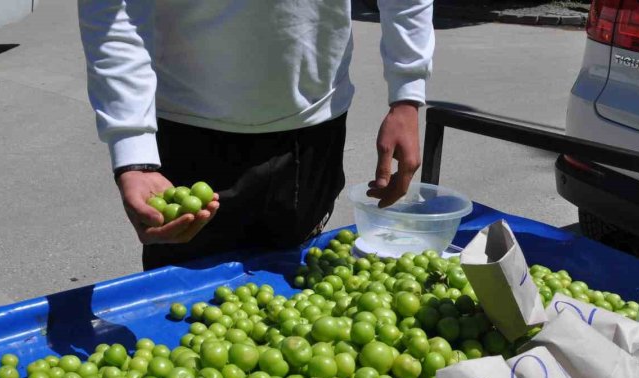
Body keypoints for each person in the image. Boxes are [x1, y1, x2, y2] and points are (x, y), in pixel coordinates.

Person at [78, 1, 435, 270]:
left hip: (314, 129)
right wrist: (133, 151)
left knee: (299, 292)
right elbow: (115, 12)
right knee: (182, 305)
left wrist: (407, 95)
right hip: (190, 129)